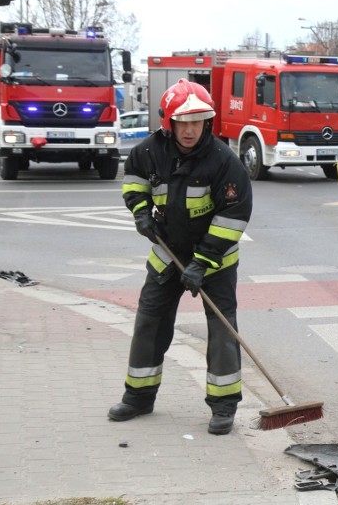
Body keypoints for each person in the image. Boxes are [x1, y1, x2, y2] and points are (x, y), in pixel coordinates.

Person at [109, 79, 252, 436]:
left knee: (222, 329)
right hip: (166, 255)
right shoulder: (149, 150)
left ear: (207, 122)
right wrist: (140, 210)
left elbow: (232, 219)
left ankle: (223, 406)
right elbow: (134, 179)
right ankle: (139, 397)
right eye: (182, 122)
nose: (190, 130)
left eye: (197, 121)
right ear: (168, 123)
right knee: (149, 322)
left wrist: (201, 263)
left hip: (215, 260)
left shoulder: (225, 163)